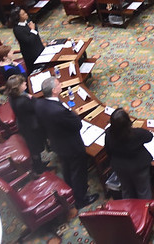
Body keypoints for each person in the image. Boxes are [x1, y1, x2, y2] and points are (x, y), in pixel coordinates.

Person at [35, 77, 99, 208]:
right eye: (59, 84)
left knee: (67, 169)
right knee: (78, 172)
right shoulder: (59, 111)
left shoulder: (40, 104)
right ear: (54, 90)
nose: (61, 85)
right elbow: (77, 124)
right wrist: (71, 113)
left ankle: (70, 189)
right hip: (72, 146)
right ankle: (81, 199)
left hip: (57, 143)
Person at [105, 108, 154, 200]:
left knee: (126, 190)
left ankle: (129, 211)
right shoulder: (136, 134)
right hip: (138, 168)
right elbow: (149, 136)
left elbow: (108, 151)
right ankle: (146, 212)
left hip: (120, 167)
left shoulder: (109, 133)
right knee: (143, 191)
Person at [6, 75, 48, 173]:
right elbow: (37, 105)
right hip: (32, 127)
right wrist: (31, 98)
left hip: (24, 124)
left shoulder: (13, 97)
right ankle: (39, 168)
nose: (25, 83)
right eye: (23, 83)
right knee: (35, 148)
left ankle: (39, 164)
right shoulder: (23, 101)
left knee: (34, 147)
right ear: (17, 87)